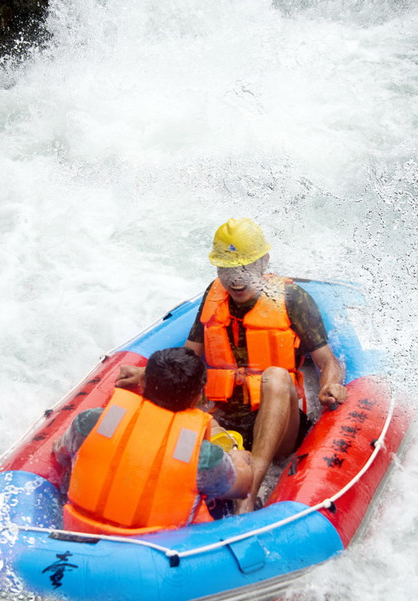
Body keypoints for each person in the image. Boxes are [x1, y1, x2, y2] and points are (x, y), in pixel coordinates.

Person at [117, 218, 347, 512]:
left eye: (245, 269)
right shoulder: (214, 296)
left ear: (264, 262)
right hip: (223, 418)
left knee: (276, 377)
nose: (236, 279)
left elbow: (328, 361)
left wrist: (329, 385)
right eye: (226, 270)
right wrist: (147, 373)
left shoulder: (293, 299)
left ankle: (249, 492)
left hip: (278, 422)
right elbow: (187, 358)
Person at [54, 346, 252, 534]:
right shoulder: (203, 456)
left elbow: (60, 452)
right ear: (197, 399)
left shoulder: (90, 421)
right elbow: (242, 487)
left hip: (80, 532)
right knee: (236, 471)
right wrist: (238, 457)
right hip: (153, 549)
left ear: (143, 383)